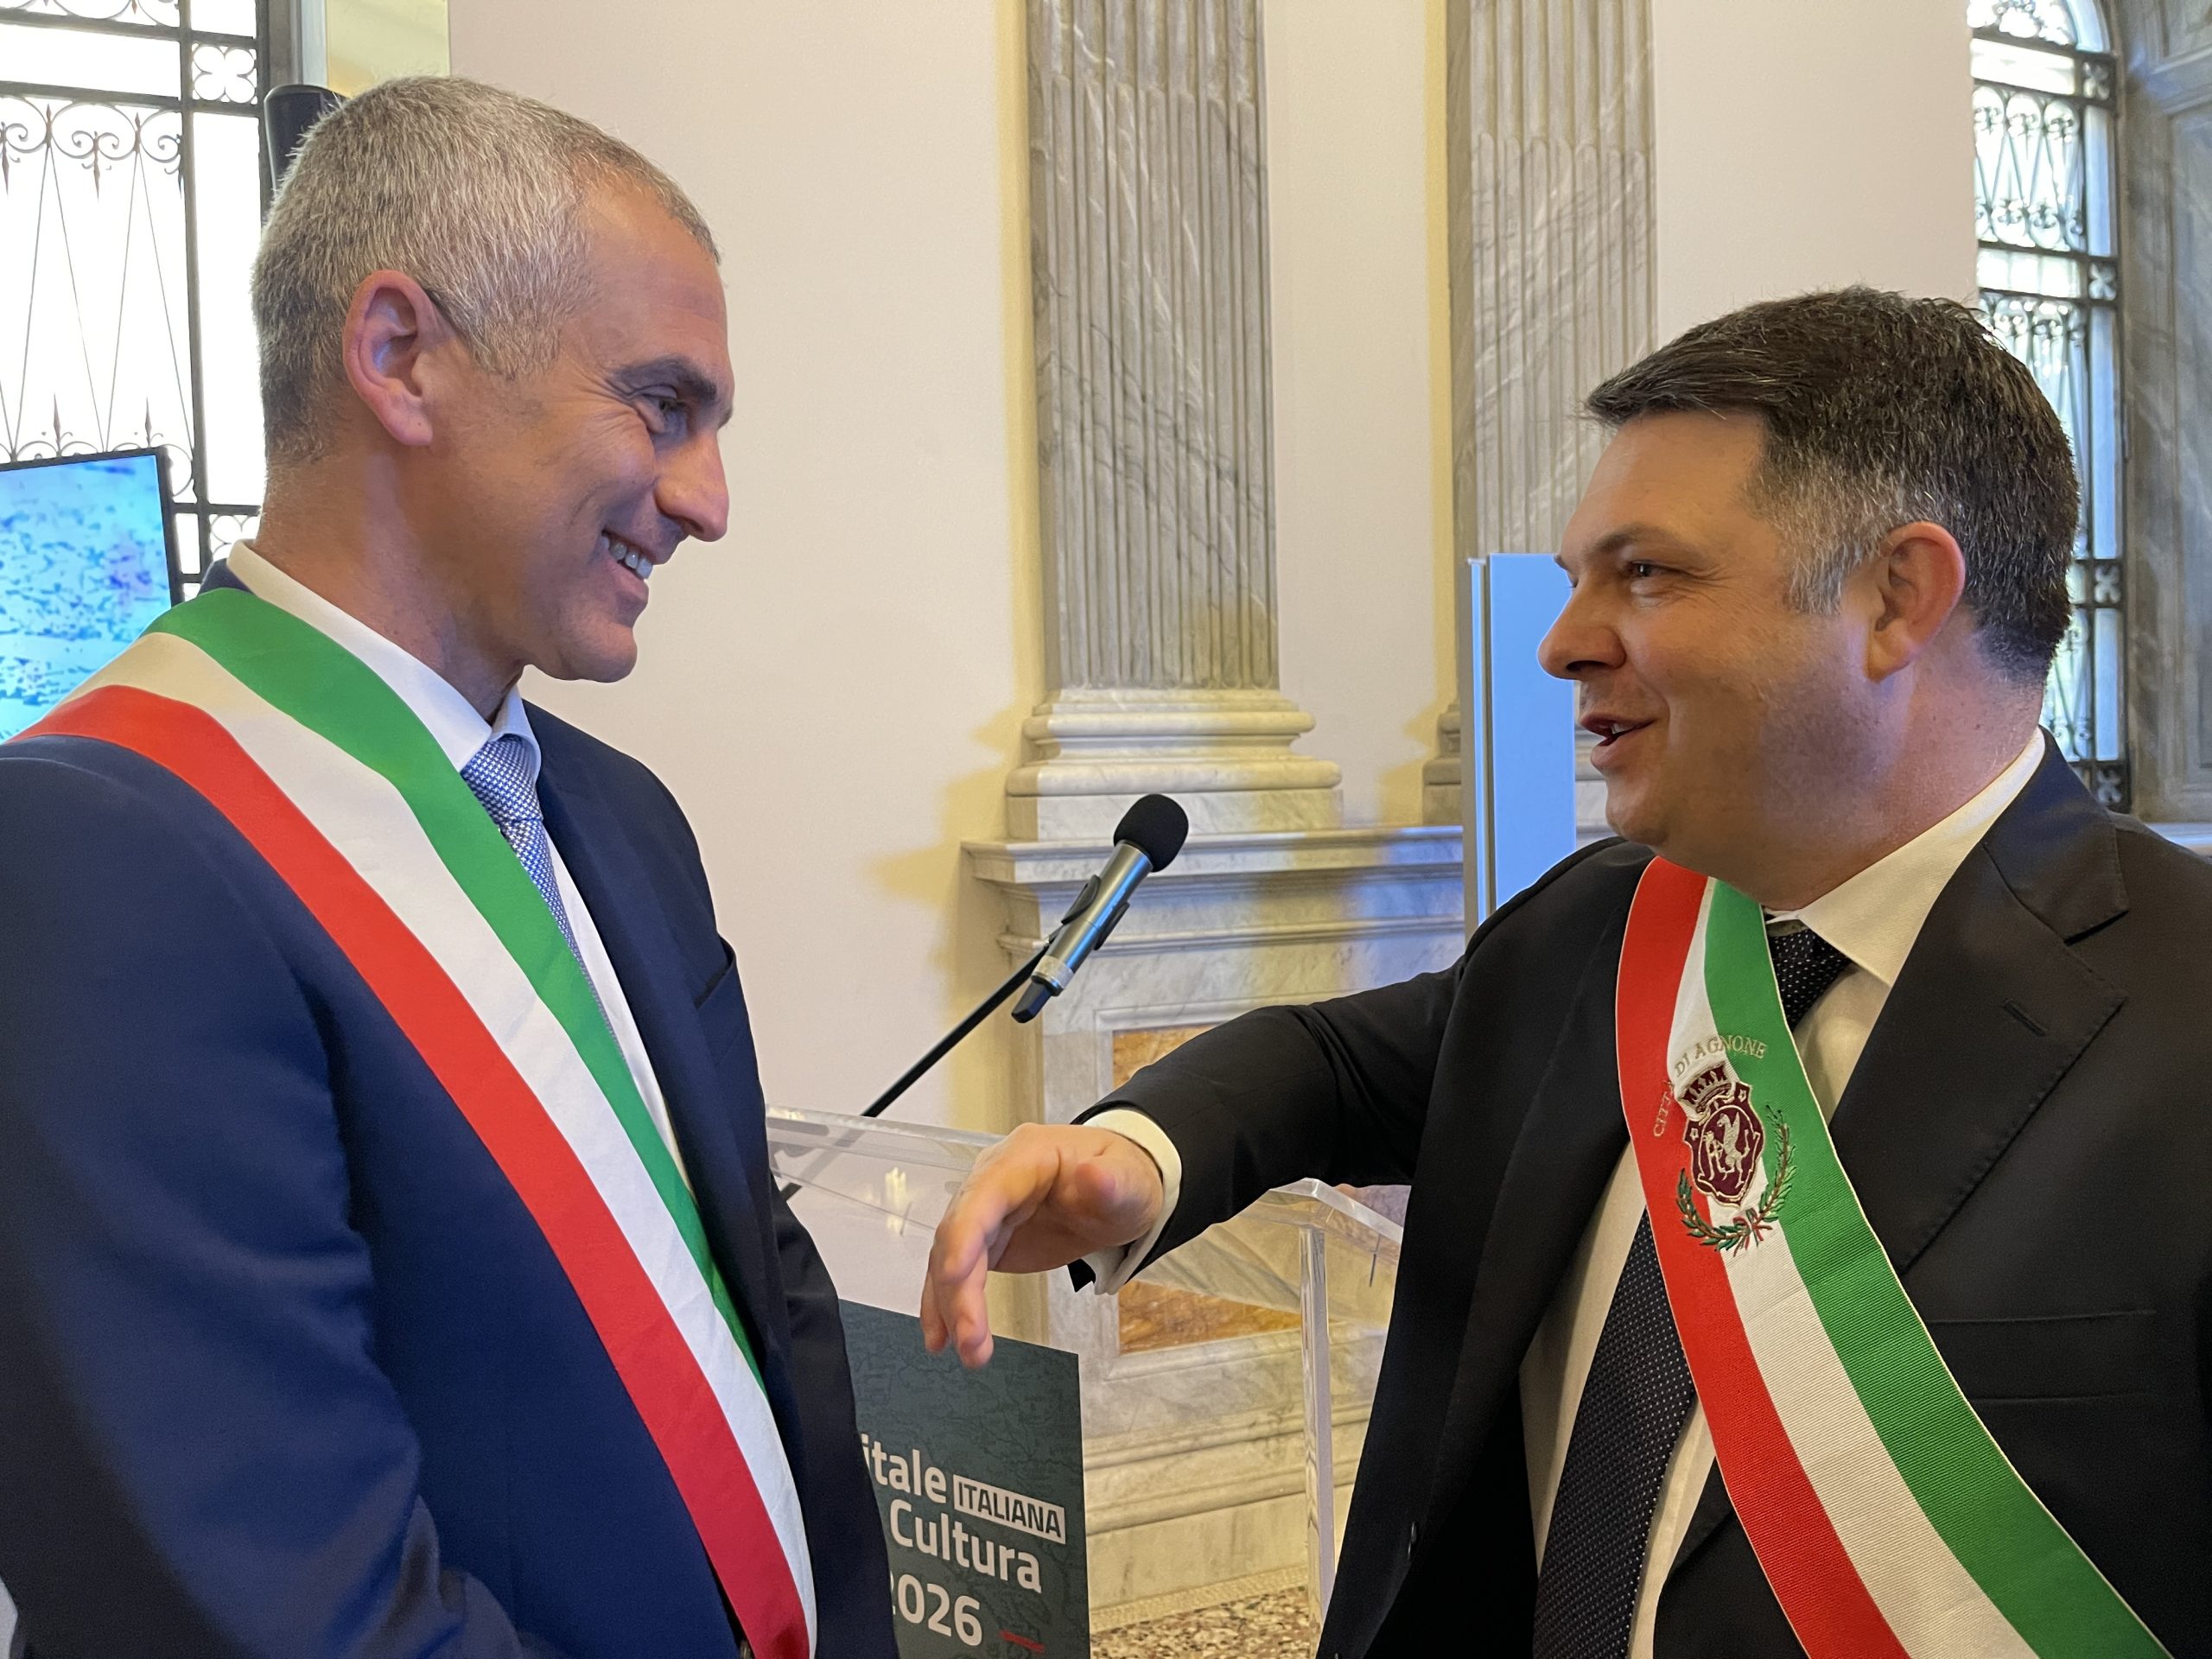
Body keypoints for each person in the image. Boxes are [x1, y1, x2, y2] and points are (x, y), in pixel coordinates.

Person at [922, 289, 2212, 1657]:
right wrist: (1143, 1152)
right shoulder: (1603, 929)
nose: (1562, 642)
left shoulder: (2180, 1011)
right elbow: (1339, 1065)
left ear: (1896, 598)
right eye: (1582, 576)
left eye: (1646, 573)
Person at [0, 79, 893, 1659]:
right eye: (662, 406)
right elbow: (270, 1600)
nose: (708, 502)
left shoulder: (619, 818)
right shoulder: (88, 854)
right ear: (401, 355)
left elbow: (766, 1307)